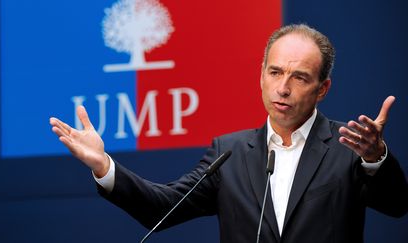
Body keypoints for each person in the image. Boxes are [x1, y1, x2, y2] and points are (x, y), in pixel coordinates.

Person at [49, 24, 408, 242]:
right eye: (275, 72)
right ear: (261, 75)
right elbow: (161, 208)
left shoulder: (348, 147)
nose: (282, 88)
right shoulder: (230, 152)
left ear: (322, 88)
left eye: (299, 77)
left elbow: (396, 206)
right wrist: (104, 166)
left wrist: (375, 159)